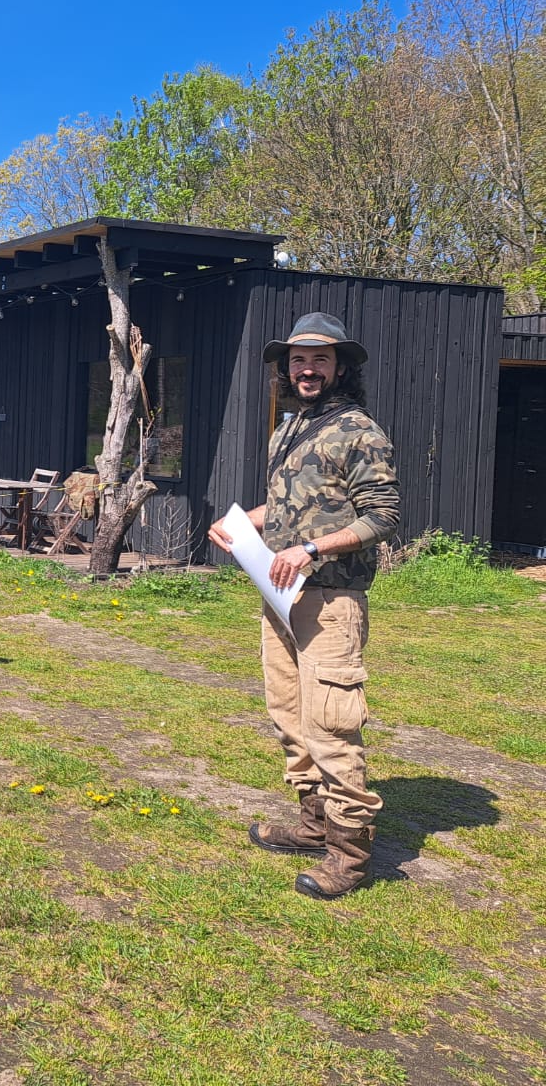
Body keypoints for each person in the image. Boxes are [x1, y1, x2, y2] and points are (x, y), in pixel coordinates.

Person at [208, 312, 399, 900]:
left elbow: (384, 517)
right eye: (297, 359)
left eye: (319, 359)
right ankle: (314, 823)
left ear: (340, 366)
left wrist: (312, 548)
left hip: (332, 599)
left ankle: (349, 855)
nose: (306, 368)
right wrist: (242, 523)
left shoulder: (360, 432)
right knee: (288, 715)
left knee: (331, 722)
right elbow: (287, 509)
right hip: (281, 595)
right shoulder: (288, 428)